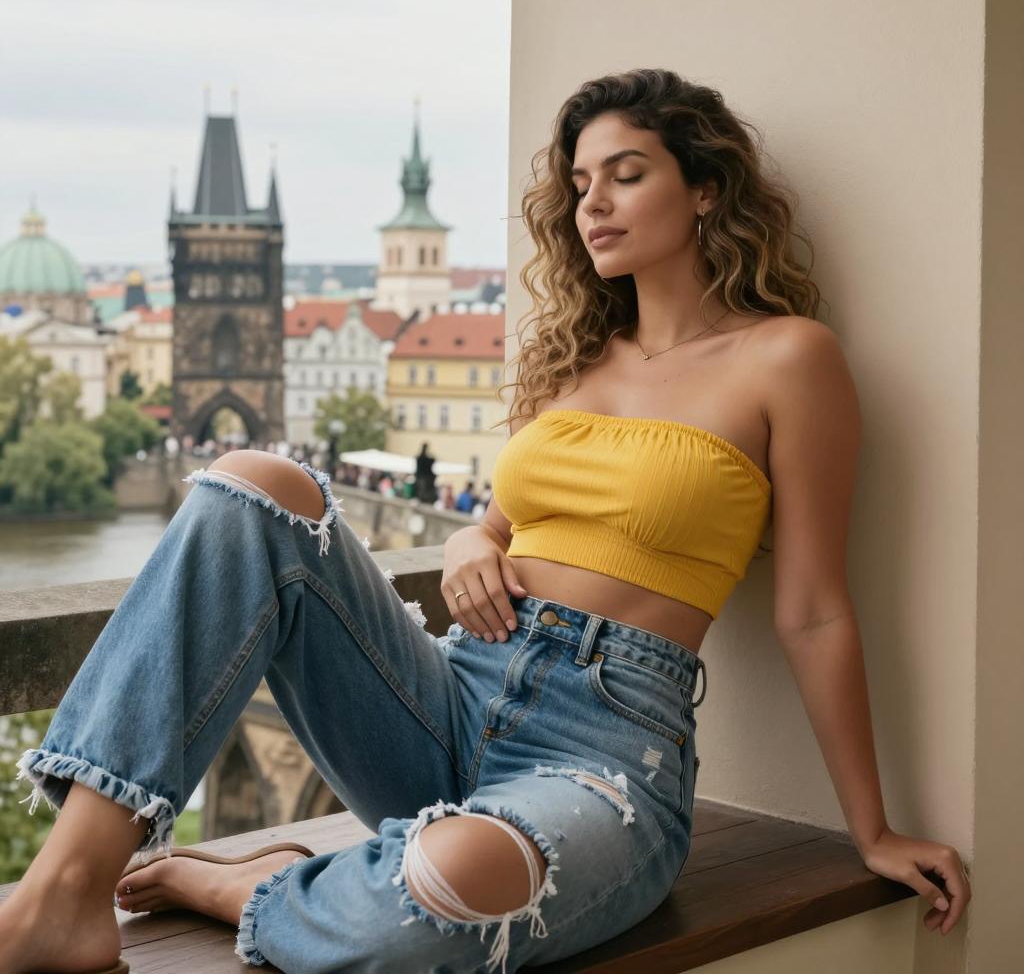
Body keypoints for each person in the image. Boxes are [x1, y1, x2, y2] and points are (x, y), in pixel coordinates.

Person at [0, 67, 969, 974]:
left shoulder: (787, 359)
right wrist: (470, 539)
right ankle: (65, 889)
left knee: (448, 883)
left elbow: (812, 611)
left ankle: (246, 883)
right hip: (448, 698)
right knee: (249, 479)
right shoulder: (577, 359)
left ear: (706, 189)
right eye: (580, 180)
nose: (591, 202)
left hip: (602, 751)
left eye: (625, 176)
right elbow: (499, 523)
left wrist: (871, 829)